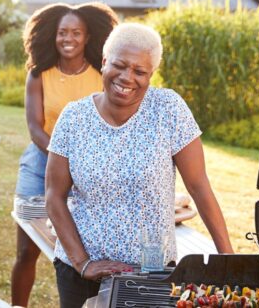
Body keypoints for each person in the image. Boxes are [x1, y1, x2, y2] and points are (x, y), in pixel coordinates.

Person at [45, 23, 234, 308]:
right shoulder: (73, 118)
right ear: (105, 61)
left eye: (139, 71)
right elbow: (53, 196)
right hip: (81, 275)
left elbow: (199, 187)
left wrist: (228, 260)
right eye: (119, 65)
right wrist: (83, 263)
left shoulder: (168, 109)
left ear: (150, 75)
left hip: (152, 269)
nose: (127, 77)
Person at [11, 3, 117, 307]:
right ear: (53, 36)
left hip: (90, 169)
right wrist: (65, 160)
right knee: (26, 251)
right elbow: (35, 127)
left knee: (83, 252)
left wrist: (84, 164)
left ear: (87, 37)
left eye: (76, 32)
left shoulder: (101, 75)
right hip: (40, 165)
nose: (68, 38)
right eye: (62, 32)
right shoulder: (38, 74)